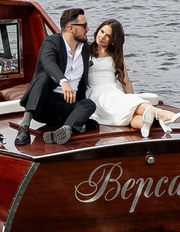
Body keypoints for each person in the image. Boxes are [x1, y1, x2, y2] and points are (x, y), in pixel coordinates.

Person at [17, 8, 94, 144]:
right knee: (44, 77)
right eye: (84, 25)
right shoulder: (52, 42)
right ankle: (24, 126)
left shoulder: (85, 49)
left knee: (89, 104)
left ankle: (64, 131)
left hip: (67, 106)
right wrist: (63, 82)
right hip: (45, 104)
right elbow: (48, 62)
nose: (87, 29)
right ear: (71, 28)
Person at [82, 19, 167, 139]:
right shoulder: (86, 50)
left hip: (114, 91)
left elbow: (125, 80)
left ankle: (144, 124)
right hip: (97, 93)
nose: (102, 37)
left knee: (130, 114)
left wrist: (131, 98)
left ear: (113, 40)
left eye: (108, 36)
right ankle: (164, 115)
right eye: (102, 32)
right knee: (121, 107)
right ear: (97, 31)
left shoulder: (116, 55)